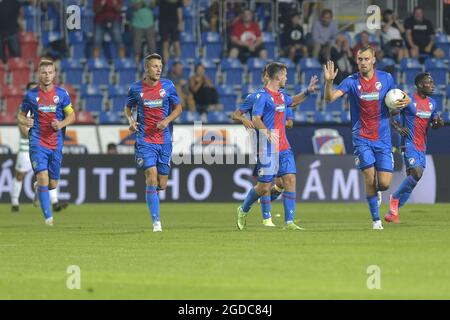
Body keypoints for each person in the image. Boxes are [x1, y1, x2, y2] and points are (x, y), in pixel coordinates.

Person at [323, 46, 411, 230]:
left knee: (385, 183)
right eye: (360, 59)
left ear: (373, 60)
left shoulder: (386, 78)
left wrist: (406, 101)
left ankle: (377, 192)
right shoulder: (351, 81)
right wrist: (328, 82)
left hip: (383, 138)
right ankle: (376, 221)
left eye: (366, 59)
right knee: (369, 178)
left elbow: (394, 102)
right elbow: (329, 98)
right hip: (361, 137)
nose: (363, 62)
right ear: (357, 61)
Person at [232, 63, 317, 227]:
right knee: (264, 187)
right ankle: (243, 209)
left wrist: (307, 91)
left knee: (290, 179)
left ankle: (289, 222)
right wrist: (267, 133)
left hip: (283, 145)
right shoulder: (261, 97)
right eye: (285, 75)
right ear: (278, 77)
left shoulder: (283, 96)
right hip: (267, 147)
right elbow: (256, 119)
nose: (286, 78)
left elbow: (293, 102)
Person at [124, 53, 182, 232]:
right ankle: (156, 223)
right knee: (151, 175)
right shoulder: (135, 89)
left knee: (161, 184)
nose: (159, 69)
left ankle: (153, 195)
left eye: (160, 66)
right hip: (145, 139)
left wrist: (166, 121)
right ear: (146, 68)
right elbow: (128, 108)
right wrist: (131, 121)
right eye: (155, 66)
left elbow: (178, 108)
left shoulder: (168, 86)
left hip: (164, 141)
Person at [17, 58, 76, 226]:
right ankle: (48, 219)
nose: (47, 75)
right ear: (39, 74)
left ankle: (39, 188)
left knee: (52, 183)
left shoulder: (62, 94)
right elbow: (20, 115)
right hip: (37, 142)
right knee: (43, 178)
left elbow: (72, 115)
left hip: (56, 143)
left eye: (50, 72)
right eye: (44, 72)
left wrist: (61, 124)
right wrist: (24, 121)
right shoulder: (31, 95)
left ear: (54, 74)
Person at [385, 73, 444, 223]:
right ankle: (395, 198)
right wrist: (398, 128)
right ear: (419, 85)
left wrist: (437, 124)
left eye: (432, 82)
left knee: (414, 180)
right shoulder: (407, 100)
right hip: (408, 143)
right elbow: (391, 115)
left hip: (421, 145)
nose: (432, 85)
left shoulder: (432, 103)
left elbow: (433, 123)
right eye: (428, 83)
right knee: (417, 173)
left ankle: (393, 212)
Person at [131, 0, 156, 66]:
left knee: (152, 48)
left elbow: (153, 6)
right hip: (137, 25)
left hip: (149, 24)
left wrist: (150, 3)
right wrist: (143, 2)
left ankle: (153, 67)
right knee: (137, 48)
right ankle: (136, 68)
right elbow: (135, 7)